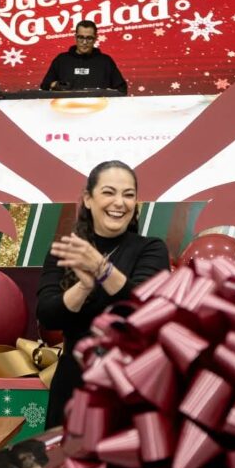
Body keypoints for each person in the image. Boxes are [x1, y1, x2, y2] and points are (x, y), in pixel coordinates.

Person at [36, 160, 170, 429]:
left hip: (132, 382)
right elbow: (48, 316)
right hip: (74, 383)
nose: (119, 203)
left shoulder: (151, 249)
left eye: (128, 195)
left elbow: (145, 307)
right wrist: (84, 287)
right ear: (88, 199)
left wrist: (101, 269)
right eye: (109, 192)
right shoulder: (68, 251)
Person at [39, 20, 128, 94]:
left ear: (95, 38)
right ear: (75, 37)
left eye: (89, 38)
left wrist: (107, 94)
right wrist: (55, 84)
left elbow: (122, 90)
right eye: (81, 37)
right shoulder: (62, 60)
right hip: (65, 108)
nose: (84, 42)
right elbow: (44, 86)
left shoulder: (105, 61)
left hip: (98, 108)